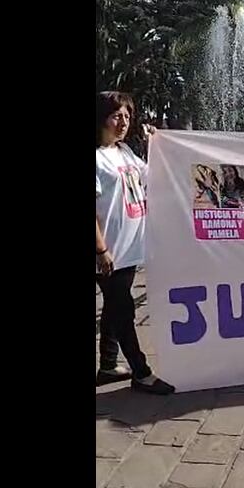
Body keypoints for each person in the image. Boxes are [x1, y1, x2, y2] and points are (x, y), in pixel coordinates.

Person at [96, 91, 175, 394]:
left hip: (128, 249)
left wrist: (158, 144)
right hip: (108, 251)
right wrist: (101, 250)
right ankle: (141, 373)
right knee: (124, 309)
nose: (124, 122)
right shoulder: (97, 158)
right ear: (101, 118)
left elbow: (150, 175)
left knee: (116, 305)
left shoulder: (124, 151)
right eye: (117, 115)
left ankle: (107, 365)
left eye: (127, 116)